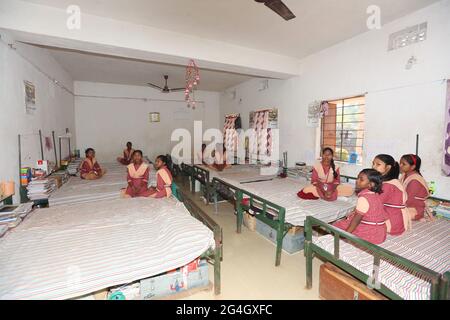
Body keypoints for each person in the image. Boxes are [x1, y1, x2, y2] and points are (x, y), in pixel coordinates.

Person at [333, 169, 388, 244]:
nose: (357, 181)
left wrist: (346, 234)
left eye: (361, 179)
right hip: (380, 232)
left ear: (371, 184)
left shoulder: (363, 198)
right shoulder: (375, 195)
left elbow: (356, 220)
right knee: (345, 222)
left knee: (336, 226)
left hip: (370, 233)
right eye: (357, 178)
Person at [372, 154, 410, 235]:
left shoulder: (388, 185)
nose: (373, 167)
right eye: (373, 163)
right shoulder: (391, 181)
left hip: (392, 221)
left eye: (378, 164)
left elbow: (374, 203)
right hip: (394, 217)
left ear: (388, 167)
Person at [399, 154, 432, 221]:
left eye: (403, 164)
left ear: (413, 167)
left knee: (388, 214)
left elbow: (408, 200)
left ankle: (419, 216)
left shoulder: (415, 180)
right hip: (405, 205)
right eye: (400, 163)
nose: (400, 165)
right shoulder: (404, 175)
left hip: (414, 210)